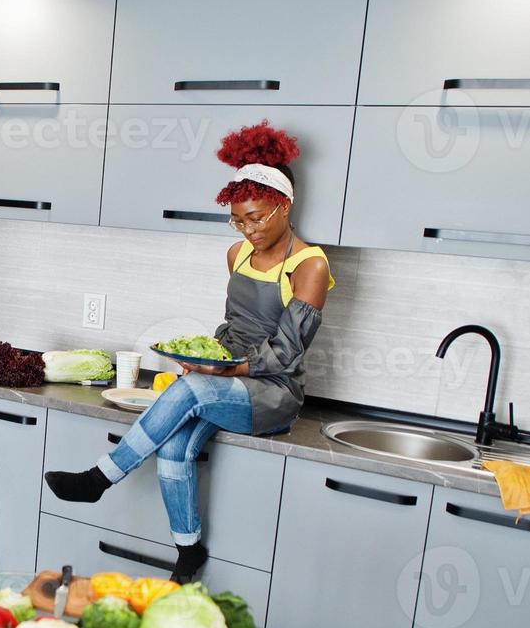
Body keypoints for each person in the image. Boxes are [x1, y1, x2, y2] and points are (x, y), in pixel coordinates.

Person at [44, 122, 334, 580]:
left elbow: (288, 351)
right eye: (238, 219)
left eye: (257, 217)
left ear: (284, 205)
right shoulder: (236, 253)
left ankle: (100, 478)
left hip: (273, 392)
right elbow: (233, 326)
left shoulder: (310, 264)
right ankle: (188, 548)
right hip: (224, 378)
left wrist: (224, 369)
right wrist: (208, 356)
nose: (248, 228)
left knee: (192, 390)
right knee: (175, 445)